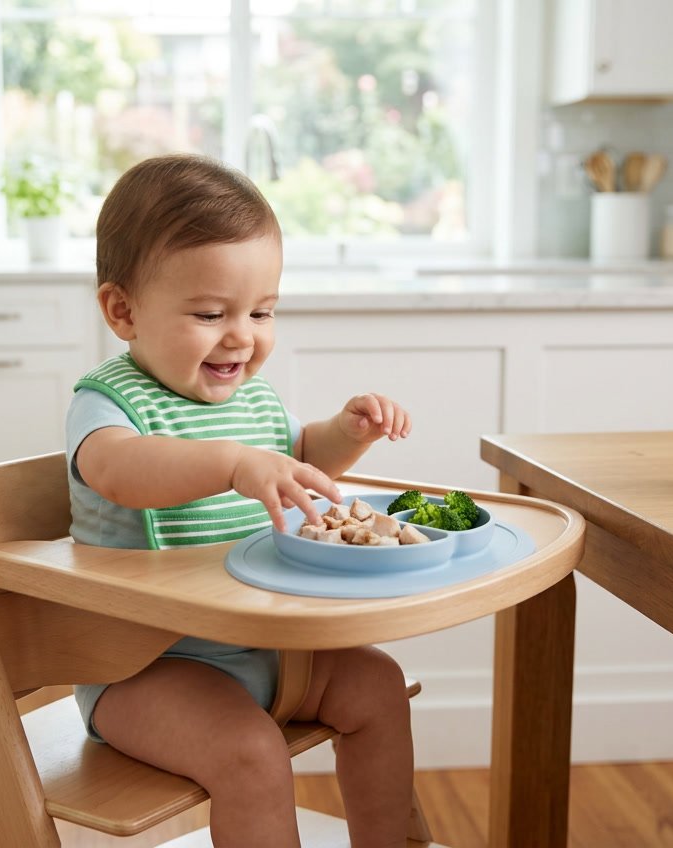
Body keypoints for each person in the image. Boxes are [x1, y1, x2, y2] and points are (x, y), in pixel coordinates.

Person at [66, 153, 415, 847]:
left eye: (262, 311)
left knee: (378, 687)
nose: (242, 336)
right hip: (146, 670)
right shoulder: (106, 404)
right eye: (209, 313)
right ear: (122, 310)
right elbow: (116, 471)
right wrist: (229, 464)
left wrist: (346, 435)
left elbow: (300, 461)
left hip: (269, 651)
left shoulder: (251, 400)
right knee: (251, 754)